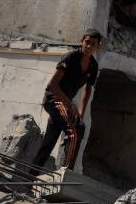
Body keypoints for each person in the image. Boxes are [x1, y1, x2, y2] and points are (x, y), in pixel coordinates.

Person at [32, 29, 101, 172]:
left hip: (65, 104)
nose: (89, 46)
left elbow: (88, 89)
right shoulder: (71, 57)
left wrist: (81, 112)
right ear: (82, 41)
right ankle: (66, 172)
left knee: (49, 142)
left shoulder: (93, 66)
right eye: (87, 42)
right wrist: (70, 105)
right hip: (53, 99)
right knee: (76, 130)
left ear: (98, 47)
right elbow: (52, 85)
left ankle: (31, 175)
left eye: (93, 44)